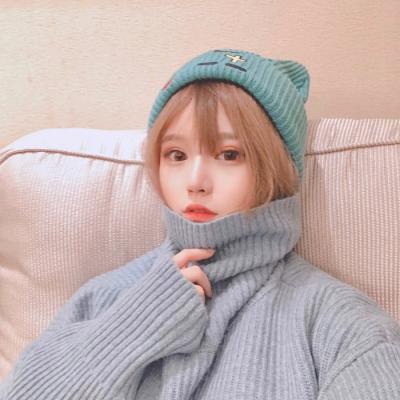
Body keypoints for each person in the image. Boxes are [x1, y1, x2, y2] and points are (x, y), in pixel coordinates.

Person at [1, 48, 400, 399]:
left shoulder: (339, 321)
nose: (195, 182)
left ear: (277, 166)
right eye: (176, 155)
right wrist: (133, 327)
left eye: (229, 154)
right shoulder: (104, 297)